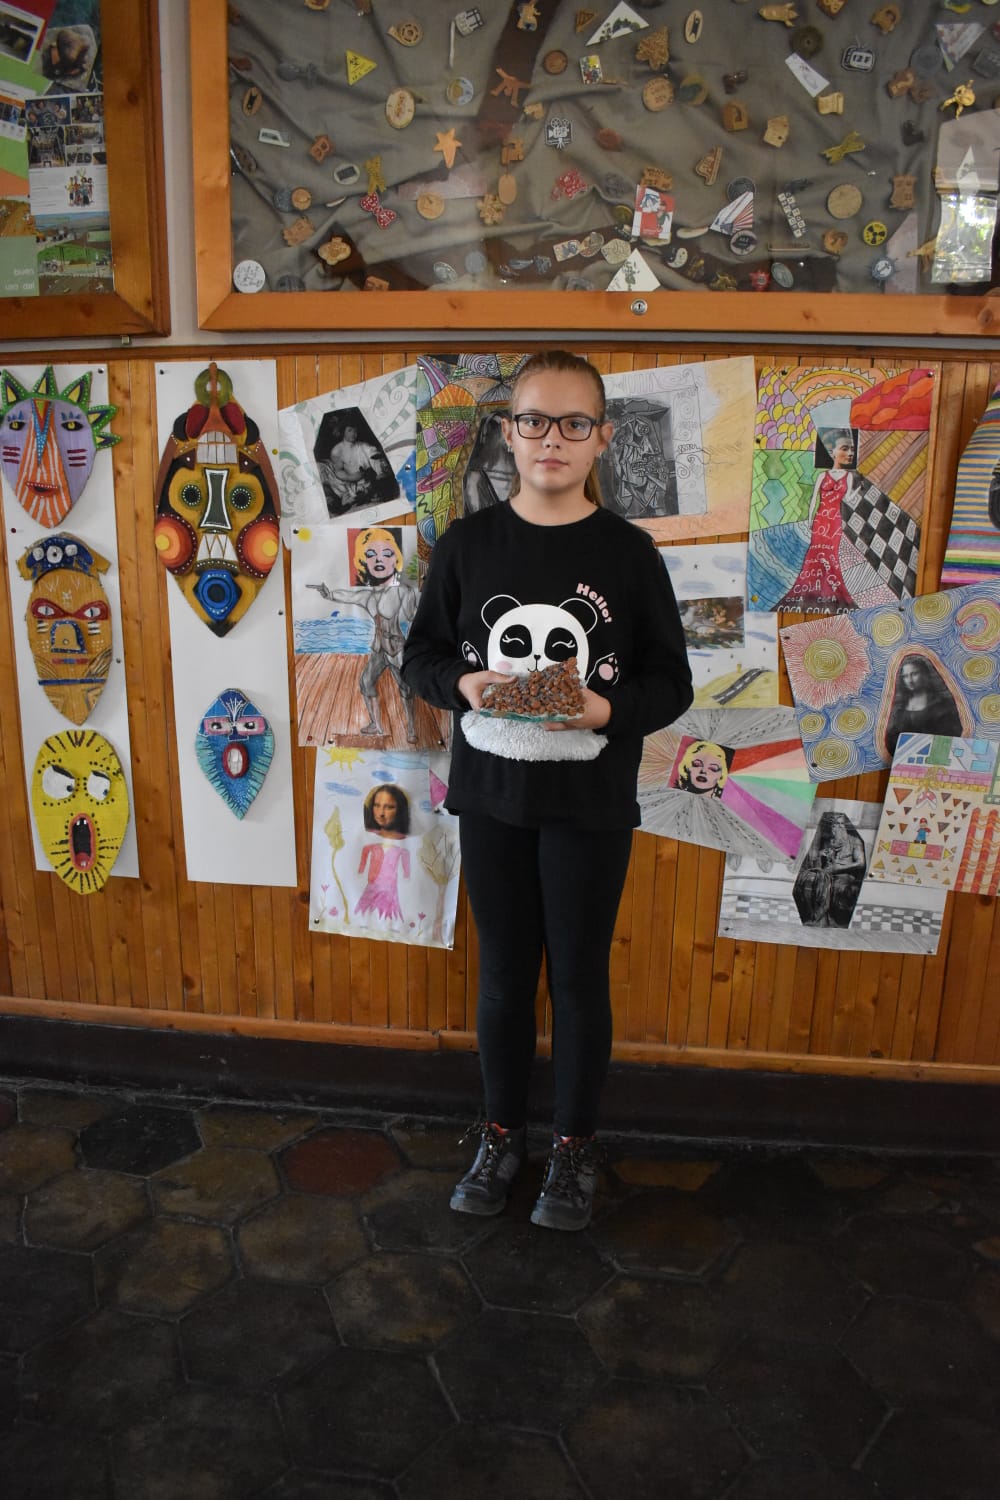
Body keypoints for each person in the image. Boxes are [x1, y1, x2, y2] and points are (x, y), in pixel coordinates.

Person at [401, 350, 693, 1231]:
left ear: (603, 436)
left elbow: (671, 683)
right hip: (491, 796)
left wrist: (606, 707)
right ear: (508, 432)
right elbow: (420, 658)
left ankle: (573, 1147)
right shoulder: (468, 545)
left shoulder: (629, 554)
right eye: (533, 421)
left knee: (577, 981)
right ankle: (501, 1134)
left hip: (589, 805)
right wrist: (466, 684)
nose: (551, 439)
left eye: (573, 423)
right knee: (501, 979)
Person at [308, 528, 418, 741]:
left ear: (396, 560)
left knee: (405, 688)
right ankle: (376, 725)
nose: (379, 560)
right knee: (366, 682)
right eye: (371, 555)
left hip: (396, 649)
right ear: (363, 562)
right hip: (379, 649)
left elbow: (412, 617)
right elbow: (347, 596)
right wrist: (328, 594)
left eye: (387, 554)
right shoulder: (369, 597)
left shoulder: (402, 591)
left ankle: (412, 729)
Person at [777, 428, 859, 612]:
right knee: (815, 555)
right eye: (844, 449)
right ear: (832, 452)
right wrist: (809, 519)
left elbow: (847, 499)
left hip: (834, 521)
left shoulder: (849, 477)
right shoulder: (823, 475)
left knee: (831, 556)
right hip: (820, 519)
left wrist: (856, 491)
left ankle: (832, 595)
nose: (849, 453)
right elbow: (814, 498)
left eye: (851, 450)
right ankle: (810, 593)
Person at [792, 809, 867, 928]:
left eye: (841, 824)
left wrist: (839, 868)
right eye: (835, 825)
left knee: (830, 885)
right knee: (809, 879)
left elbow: (861, 863)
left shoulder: (855, 841)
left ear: (845, 826)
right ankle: (813, 916)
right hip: (827, 872)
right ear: (831, 827)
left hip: (844, 874)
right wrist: (821, 854)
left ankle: (820, 917)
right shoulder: (829, 841)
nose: (838, 828)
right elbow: (820, 862)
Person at [884, 652, 963, 756]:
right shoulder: (900, 706)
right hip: (904, 758)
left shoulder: (942, 704)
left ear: (924, 674)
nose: (910, 680)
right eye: (906, 676)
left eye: (914, 674)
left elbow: (950, 737)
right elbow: (892, 737)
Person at [355, 784, 410, 922]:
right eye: (376, 805)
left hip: (391, 887)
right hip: (372, 884)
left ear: (400, 809)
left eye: (389, 807)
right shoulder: (369, 838)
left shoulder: (404, 843)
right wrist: (361, 870)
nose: (380, 813)